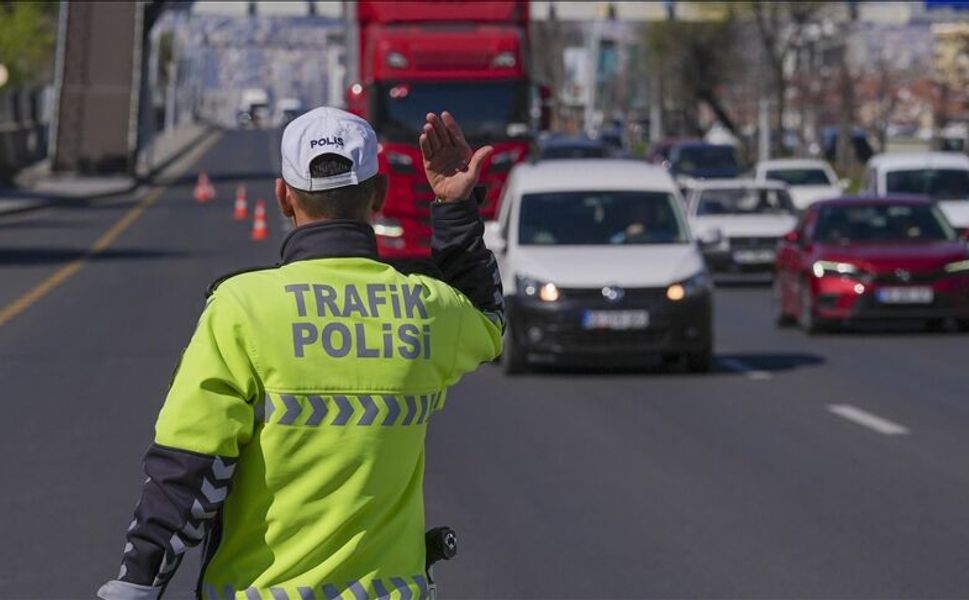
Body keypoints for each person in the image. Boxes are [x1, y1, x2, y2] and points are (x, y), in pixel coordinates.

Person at [97, 107, 504, 600]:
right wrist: (455, 208)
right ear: (379, 195)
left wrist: (139, 580)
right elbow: (489, 318)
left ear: (284, 197)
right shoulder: (424, 306)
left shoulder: (242, 307)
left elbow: (190, 465)